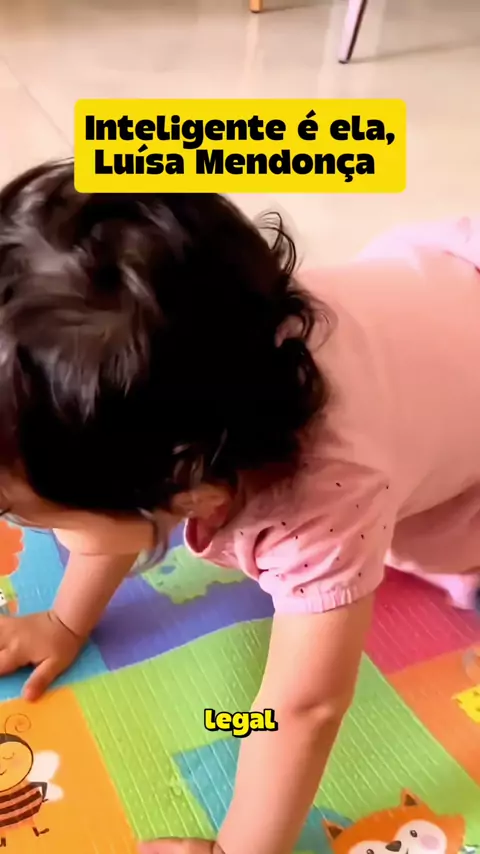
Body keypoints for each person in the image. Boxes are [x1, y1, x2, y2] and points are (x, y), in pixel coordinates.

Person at [0, 160, 479, 854]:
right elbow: (120, 508)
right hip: (444, 283)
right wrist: (65, 621)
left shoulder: (323, 503)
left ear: (190, 493)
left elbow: (304, 708)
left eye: (20, 511)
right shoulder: (215, 336)